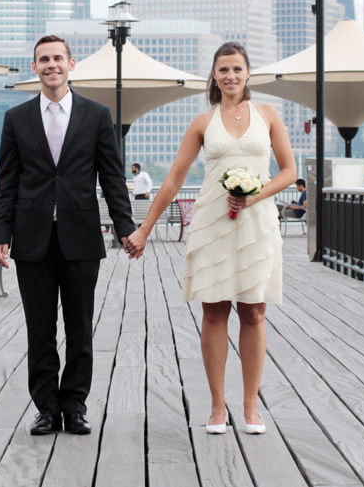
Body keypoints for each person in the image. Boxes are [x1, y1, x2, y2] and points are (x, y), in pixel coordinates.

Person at [125, 42, 296, 435]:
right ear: (214, 75)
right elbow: (173, 179)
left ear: (248, 73)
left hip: (256, 224)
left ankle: (250, 406)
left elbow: (288, 171)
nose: (231, 76)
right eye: (223, 70)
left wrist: (255, 196)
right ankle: (218, 406)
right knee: (214, 312)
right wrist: (144, 228)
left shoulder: (268, 115)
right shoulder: (203, 122)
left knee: (254, 312)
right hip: (213, 222)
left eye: (237, 69)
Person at [0, 35, 135, 436]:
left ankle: (74, 405)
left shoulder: (96, 115)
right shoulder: (16, 118)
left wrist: (125, 228)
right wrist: (1, 232)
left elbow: (112, 177)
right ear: (34, 66)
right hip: (31, 237)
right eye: (43, 59)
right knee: (40, 330)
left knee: (79, 328)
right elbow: (6, 181)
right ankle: (46, 408)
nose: (51, 64)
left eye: (57, 58)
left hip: (80, 236)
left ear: (72, 64)